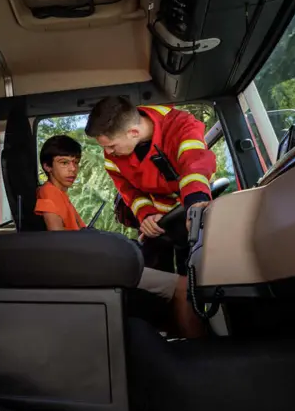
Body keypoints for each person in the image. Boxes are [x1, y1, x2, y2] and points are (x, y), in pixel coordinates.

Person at [34, 134, 204, 338]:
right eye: (64, 163)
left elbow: (77, 237)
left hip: (91, 265)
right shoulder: (49, 193)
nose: (72, 169)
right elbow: (59, 243)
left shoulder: (60, 195)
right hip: (89, 270)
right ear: (47, 166)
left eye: (75, 162)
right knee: (183, 285)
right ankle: (196, 352)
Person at [84, 97, 217, 264]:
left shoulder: (182, 126)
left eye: (111, 146)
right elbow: (129, 192)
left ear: (133, 132)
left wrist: (196, 203)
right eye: (104, 147)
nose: (108, 152)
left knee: (196, 265)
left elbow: (194, 165)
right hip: (160, 224)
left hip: (189, 211)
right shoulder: (113, 156)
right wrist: (146, 215)